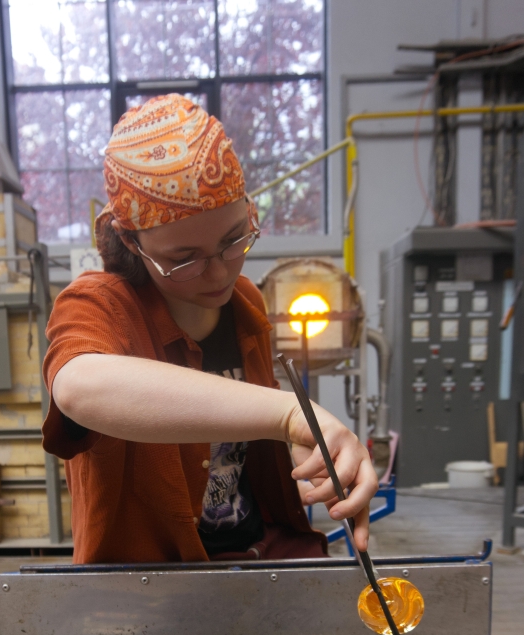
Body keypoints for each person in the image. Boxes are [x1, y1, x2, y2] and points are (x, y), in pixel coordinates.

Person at [43, 94, 377, 564]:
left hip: (259, 556)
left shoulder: (246, 302)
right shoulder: (99, 304)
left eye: (234, 239)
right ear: (130, 242)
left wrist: (313, 453)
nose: (220, 274)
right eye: (184, 259)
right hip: (152, 585)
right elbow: (80, 388)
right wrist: (287, 413)